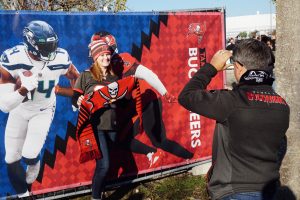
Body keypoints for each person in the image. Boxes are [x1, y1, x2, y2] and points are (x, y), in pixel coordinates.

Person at [178, 39, 290, 200]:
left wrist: (211, 68)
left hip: (235, 190)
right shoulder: (282, 104)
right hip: (269, 189)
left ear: (238, 67)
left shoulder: (232, 101)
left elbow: (186, 96)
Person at [72, 36, 176, 199]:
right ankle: (96, 197)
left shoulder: (115, 75)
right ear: (95, 57)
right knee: (104, 165)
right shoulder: (85, 76)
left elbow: (127, 93)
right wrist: (77, 100)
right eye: (101, 55)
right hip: (95, 127)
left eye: (107, 54)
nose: (106, 57)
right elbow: (75, 97)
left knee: (106, 164)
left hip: (113, 126)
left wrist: (126, 95)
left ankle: (99, 191)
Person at [0, 20, 79, 197]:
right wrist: (22, 90)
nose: (51, 51)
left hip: (43, 110)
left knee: (29, 154)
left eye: (53, 45)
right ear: (31, 44)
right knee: (11, 159)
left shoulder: (61, 57)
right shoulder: (12, 58)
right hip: (19, 110)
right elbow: (4, 106)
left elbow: (75, 76)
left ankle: (34, 162)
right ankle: (24, 196)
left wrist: (76, 96)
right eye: (46, 46)